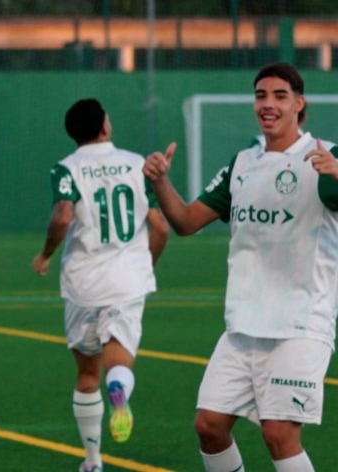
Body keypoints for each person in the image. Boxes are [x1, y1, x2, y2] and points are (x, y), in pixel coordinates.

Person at [143, 62, 338, 472]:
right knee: (209, 426)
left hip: (300, 325)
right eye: (261, 95)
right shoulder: (242, 165)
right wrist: (161, 182)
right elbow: (185, 222)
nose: (268, 104)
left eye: (280, 96)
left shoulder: (325, 156)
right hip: (243, 325)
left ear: (298, 104)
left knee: (279, 433)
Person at [31, 98, 169, 472]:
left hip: (83, 282)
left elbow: (62, 216)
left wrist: (45, 254)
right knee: (118, 361)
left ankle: (93, 461)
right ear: (105, 127)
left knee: (87, 374)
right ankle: (119, 389)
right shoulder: (137, 164)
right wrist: (144, 265)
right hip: (128, 280)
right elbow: (160, 227)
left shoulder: (66, 168)